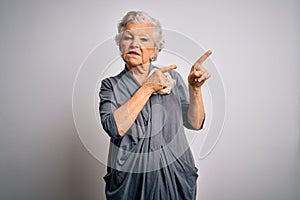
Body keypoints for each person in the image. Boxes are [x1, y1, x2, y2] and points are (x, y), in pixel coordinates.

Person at [99, 10, 211, 200]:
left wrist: (194, 88)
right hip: (130, 182)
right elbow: (114, 127)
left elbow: (195, 123)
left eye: (143, 39)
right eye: (128, 38)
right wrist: (148, 87)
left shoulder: (172, 78)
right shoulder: (110, 85)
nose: (134, 44)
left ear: (155, 51)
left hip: (174, 176)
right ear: (120, 46)